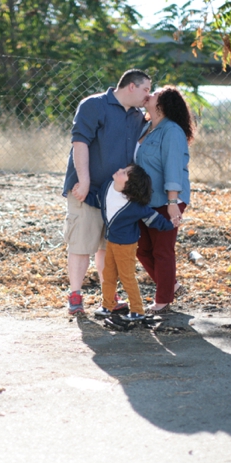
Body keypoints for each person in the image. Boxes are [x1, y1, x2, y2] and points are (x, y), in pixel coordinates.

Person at [62, 68, 151, 315]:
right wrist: (85, 180)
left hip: (117, 195)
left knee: (107, 248)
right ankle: (75, 295)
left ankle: (108, 296)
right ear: (131, 86)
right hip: (87, 190)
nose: (148, 95)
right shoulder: (94, 105)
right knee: (81, 243)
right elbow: (79, 142)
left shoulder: (137, 116)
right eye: (145, 89)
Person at [89, 163, 176, 324]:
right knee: (108, 275)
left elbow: (153, 218)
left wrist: (170, 225)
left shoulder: (134, 205)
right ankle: (107, 305)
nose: (119, 170)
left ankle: (137, 310)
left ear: (129, 184)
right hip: (112, 242)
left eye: (124, 172)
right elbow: (97, 199)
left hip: (126, 246)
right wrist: (81, 193)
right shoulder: (107, 187)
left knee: (126, 277)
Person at [135, 85, 195, 312]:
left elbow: (173, 168)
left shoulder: (172, 131)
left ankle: (163, 300)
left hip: (168, 199)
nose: (148, 96)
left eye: (154, 94)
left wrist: (172, 203)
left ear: (162, 105)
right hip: (145, 199)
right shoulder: (147, 127)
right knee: (141, 248)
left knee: (162, 250)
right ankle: (171, 285)